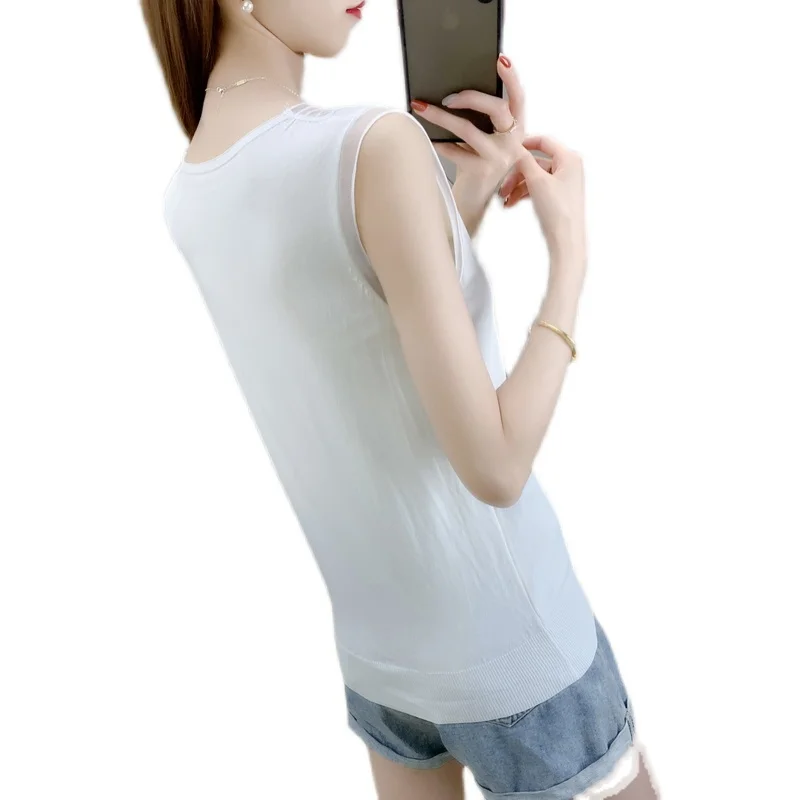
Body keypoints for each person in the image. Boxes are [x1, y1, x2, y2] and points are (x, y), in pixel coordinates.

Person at [140, 1, 660, 797]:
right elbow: (495, 467)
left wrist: (466, 188)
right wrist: (570, 256)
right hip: (517, 657)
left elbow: (361, 335)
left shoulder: (192, 188)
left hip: (384, 668)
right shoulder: (373, 144)